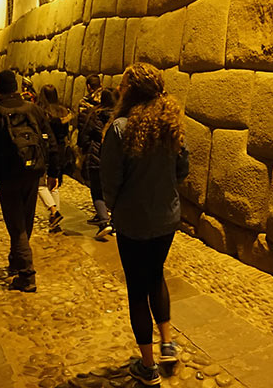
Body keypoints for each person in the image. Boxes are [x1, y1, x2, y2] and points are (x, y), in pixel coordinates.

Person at [100, 63, 189, 386]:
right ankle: (167, 343)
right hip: (166, 217)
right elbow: (183, 168)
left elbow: (110, 179)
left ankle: (148, 365)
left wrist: (113, 206)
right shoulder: (170, 124)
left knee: (137, 290)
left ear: (130, 90)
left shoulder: (121, 128)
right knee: (156, 276)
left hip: (132, 220)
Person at [0, 70, 60, 292]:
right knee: (25, 219)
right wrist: (54, 171)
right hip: (33, 173)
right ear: (15, 87)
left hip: (7, 175)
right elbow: (49, 139)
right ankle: (16, 260)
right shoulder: (33, 109)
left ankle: (27, 274)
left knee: (16, 224)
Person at [79, 88, 116, 238]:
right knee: (112, 191)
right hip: (113, 159)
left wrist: (84, 148)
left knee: (97, 190)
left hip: (96, 156)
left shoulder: (95, 114)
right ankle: (113, 222)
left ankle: (104, 221)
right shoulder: (119, 116)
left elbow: (85, 136)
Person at [35, 84, 73, 231]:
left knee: (40, 183)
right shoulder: (63, 112)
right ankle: (54, 220)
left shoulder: (41, 112)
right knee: (55, 183)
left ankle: (54, 212)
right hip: (61, 150)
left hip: (46, 150)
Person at [75, 74, 103, 182]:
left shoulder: (85, 102)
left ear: (88, 86)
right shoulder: (109, 97)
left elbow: (82, 125)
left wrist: (82, 143)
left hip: (91, 143)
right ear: (101, 84)